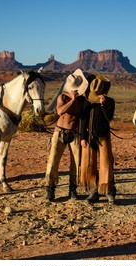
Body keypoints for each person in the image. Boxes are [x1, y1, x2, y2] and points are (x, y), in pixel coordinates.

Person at [44, 69, 88, 201]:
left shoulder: (82, 101)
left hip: (74, 134)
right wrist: (72, 101)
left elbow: (83, 118)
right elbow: (59, 112)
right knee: (52, 161)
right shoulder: (62, 97)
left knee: (77, 163)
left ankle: (73, 190)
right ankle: (50, 189)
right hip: (60, 133)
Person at [80, 73, 116, 205]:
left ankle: (109, 191)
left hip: (103, 137)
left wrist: (103, 105)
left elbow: (109, 118)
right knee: (90, 164)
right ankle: (94, 191)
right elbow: (83, 120)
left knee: (106, 163)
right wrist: (83, 137)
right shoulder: (86, 102)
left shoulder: (110, 101)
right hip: (89, 138)